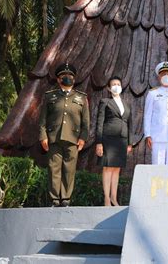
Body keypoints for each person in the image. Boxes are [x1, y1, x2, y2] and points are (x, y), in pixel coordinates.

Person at [39, 63, 90, 207]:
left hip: (73, 139)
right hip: (53, 138)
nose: (67, 78)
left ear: (74, 79)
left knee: (69, 169)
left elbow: (86, 122)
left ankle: (66, 198)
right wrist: (43, 136)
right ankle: (55, 199)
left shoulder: (81, 97)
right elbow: (42, 119)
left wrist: (83, 138)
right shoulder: (50, 96)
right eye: (63, 76)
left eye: (70, 76)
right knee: (54, 168)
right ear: (58, 79)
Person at [95, 76, 133, 206]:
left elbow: (130, 124)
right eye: (113, 84)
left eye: (118, 84)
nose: (116, 86)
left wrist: (130, 143)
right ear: (109, 88)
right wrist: (99, 142)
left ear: (122, 87)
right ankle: (106, 198)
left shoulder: (126, 104)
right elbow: (99, 123)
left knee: (116, 169)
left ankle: (113, 198)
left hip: (122, 140)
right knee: (107, 168)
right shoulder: (105, 101)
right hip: (108, 139)